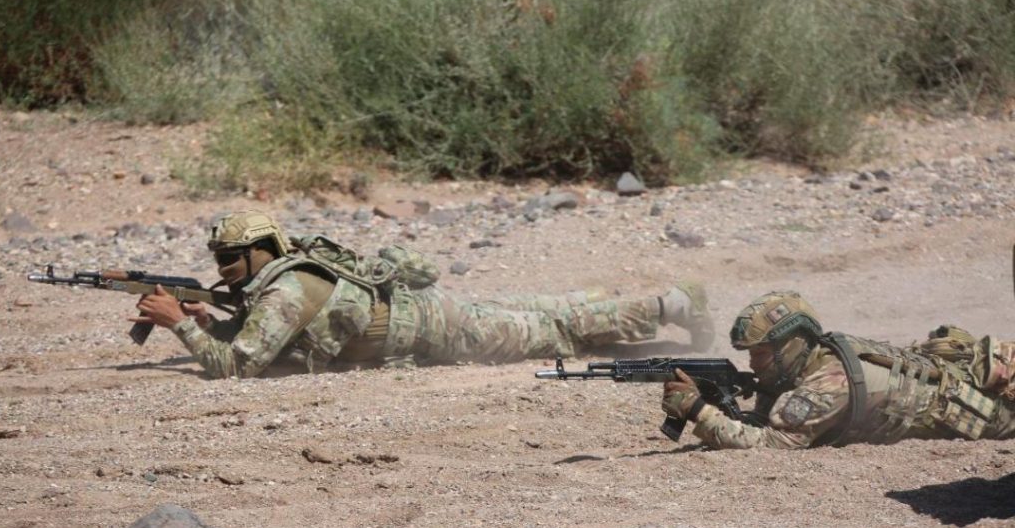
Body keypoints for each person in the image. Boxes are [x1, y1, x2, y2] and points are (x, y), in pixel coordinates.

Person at [132, 210, 715, 379]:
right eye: (217, 261)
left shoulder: (287, 288)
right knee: (549, 311)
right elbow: (259, 338)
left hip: (440, 329)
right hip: (434, 316)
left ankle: (668, 306)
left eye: (230, 258)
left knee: (557, 331)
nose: (224, 269)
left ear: (260, 251)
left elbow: (239, 367)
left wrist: (178, 325)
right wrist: (206, 319)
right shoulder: (286, 274)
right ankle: (659, 305)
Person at [661, 291, 1015, 448]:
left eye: (762, 353)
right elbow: (773, 419)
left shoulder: (829, 381)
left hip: (992, 417)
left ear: (794, 344)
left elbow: (773, 441)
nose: (753, 363)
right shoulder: (818, 358)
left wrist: (698, 411)